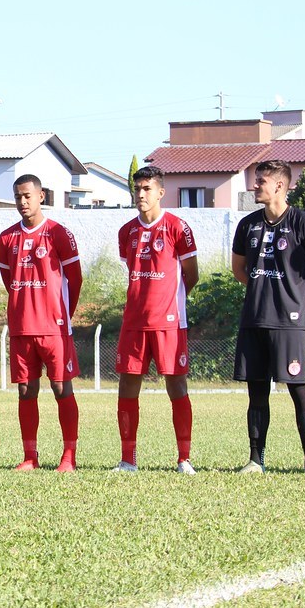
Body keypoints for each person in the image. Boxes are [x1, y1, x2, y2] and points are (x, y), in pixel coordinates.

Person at [231, 159, 305, 475]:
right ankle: (255, 460)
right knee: (257, 393)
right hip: (255, 320)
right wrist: (264, 291)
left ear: (279, 185)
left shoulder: (303, 222)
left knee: (298, 390)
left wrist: (300, 296)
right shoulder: (247, 225)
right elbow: (239, 269)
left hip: (290, 323)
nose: (254, 185)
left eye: (260, 181)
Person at [114, 166, 198, 474]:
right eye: (137, 189)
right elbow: (132, 271)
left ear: (161, 192)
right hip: (134, 322)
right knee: (127, 386)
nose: (141, 194)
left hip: (169, 322)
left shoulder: (178, 227)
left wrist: (169, 301)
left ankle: (183, 459)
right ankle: (127, 460)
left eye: (147, 189)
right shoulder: (127, 232)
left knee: (176, 384)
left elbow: (192, 274)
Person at [0, 175, 82, 472]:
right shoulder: (7, 238)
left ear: (41, 196)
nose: (22, 202)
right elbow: (9, 281)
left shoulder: (59, 233)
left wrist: (62, 315)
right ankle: (30, 457)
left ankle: (68, 457)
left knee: (61, 388)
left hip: (54, 327)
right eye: (18, 196)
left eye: (28, 196)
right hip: (22, 327)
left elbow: (75, 279)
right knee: (25, 391)